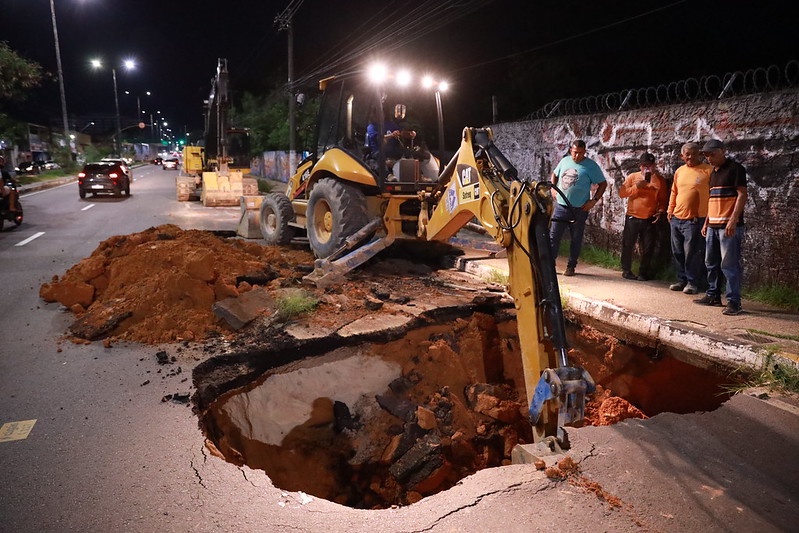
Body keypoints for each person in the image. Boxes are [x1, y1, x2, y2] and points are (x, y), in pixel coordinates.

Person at [694, 139, 748, 315]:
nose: (709, 158)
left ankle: (734, 302)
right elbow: (713, 198)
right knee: (711, 261)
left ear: (723, 151)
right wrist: (707, 221)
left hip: (728, 225)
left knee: (729, 264)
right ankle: (713, 294)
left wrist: (733, 220)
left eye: (712, 154)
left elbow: (742, 195)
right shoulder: (713, 173)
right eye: (707, 155)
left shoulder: (736, 169)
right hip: (713, 224)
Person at [549, 139, 607, 276]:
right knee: (554, 237)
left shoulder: (591, 166)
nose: (577, 156)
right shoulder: (565, 161)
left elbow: (603, 184)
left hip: (580, 209)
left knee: (576, 239)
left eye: (580, 153)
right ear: (571, 151)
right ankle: (550, 265)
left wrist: (594, 201)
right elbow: (554, 175)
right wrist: (553, 189)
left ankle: (571, 266)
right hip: (562, 206)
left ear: (585, 152)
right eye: (575, 153)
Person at [666, 142, 712, 294]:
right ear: (682, 156)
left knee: (691, 253)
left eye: (694, 153)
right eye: (687, 154)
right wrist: (670, 210)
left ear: (699, 154)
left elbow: (713, 194)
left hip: (695, 219)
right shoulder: (679, 171)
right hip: (676, 218)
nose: (690, 157)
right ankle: (681, 279)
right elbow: (674, 191)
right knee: (677, 251)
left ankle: (693, 283)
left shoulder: (708, 171)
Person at [618, 152, 668, 281]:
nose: (648, 168)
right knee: (628, 244)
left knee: (648, 247)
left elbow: (663, 199)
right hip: (632, 217)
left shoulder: (660, 180)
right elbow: (622, 193)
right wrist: (636, 186)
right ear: (640, 166)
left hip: (649, 218)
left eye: (650, 166)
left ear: (654, 166)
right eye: (645, 166)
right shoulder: (632, 177)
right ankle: (626, 270)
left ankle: (643, 272)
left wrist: (661, 211)